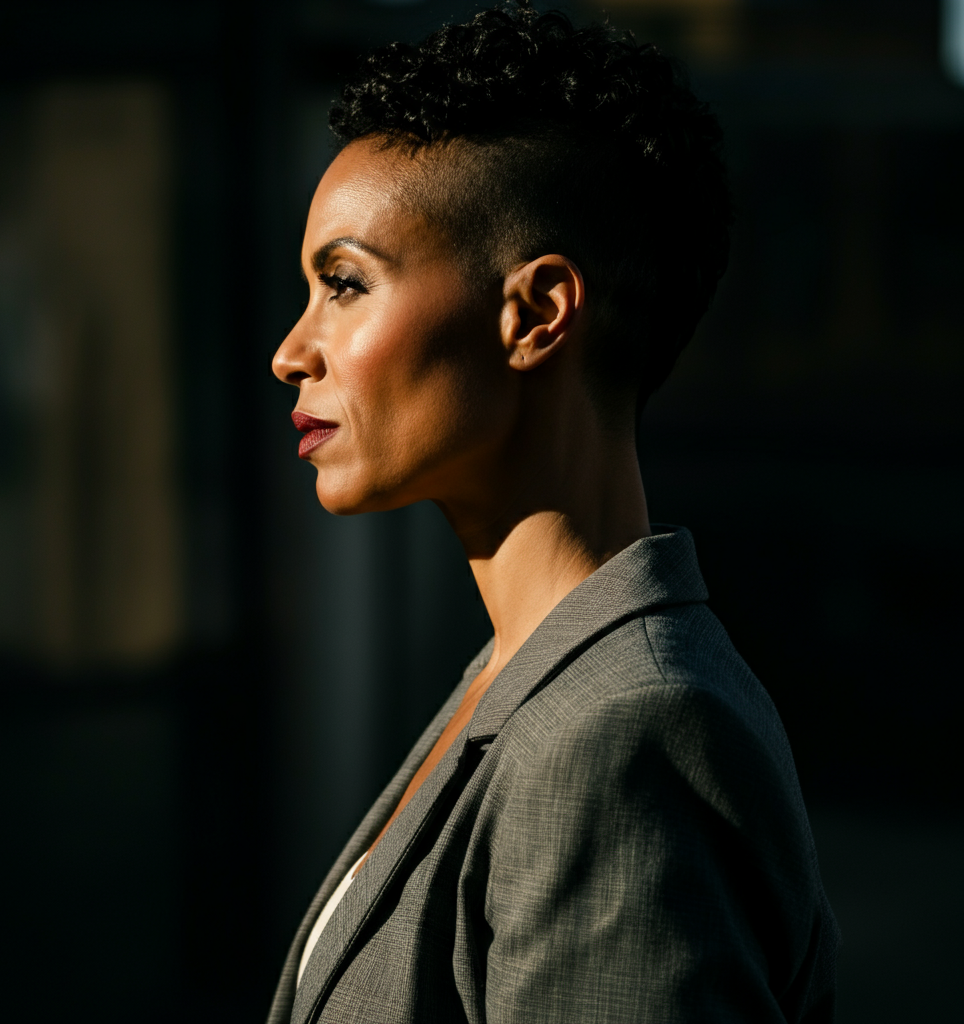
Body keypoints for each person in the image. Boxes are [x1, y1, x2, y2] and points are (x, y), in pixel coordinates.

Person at [267, 3, 839, 1022]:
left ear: (534, 314)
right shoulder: (522, 678)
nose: (290, 352)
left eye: (344, 284)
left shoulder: (623, 734)